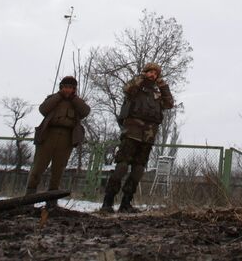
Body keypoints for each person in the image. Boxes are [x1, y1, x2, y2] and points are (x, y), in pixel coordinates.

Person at [101, 63, 174, 213]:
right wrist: (141, 78)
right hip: (132, 131)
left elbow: (169, 104)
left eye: (155, 73)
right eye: (150, 72)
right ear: (145, 72)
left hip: (148, 134)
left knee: (139, 168)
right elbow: (127, 89)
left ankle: (126, 203)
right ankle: (107, 202)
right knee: (122, 165)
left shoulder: (157, 92)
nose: (153, 75)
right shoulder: (136, 87)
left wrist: (163, 86)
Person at [25, 76, 90, 208]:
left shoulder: (77, 102)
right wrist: (58, 96)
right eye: (65, 87)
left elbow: (85, 111)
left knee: (58, 171)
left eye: (71, 88)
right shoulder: (53, 98)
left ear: (74, 89)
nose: (68, 90)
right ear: (61, 87)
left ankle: (51, 202)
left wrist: (74, 98)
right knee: (38, 168)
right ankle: (28, 200)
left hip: (66, 138)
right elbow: (43, 109)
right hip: (49, 135)